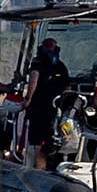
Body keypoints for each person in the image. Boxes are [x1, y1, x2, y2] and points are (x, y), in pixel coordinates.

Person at [22, 38, 71, 170]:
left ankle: (40, 171)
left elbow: (34, 79)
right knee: (53, 140)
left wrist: (28, 99)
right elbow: (68, 88)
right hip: (56, 111)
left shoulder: (37, 62)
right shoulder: (61, 65)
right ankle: (51, 167)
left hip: (39, 108)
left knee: (38, 143)